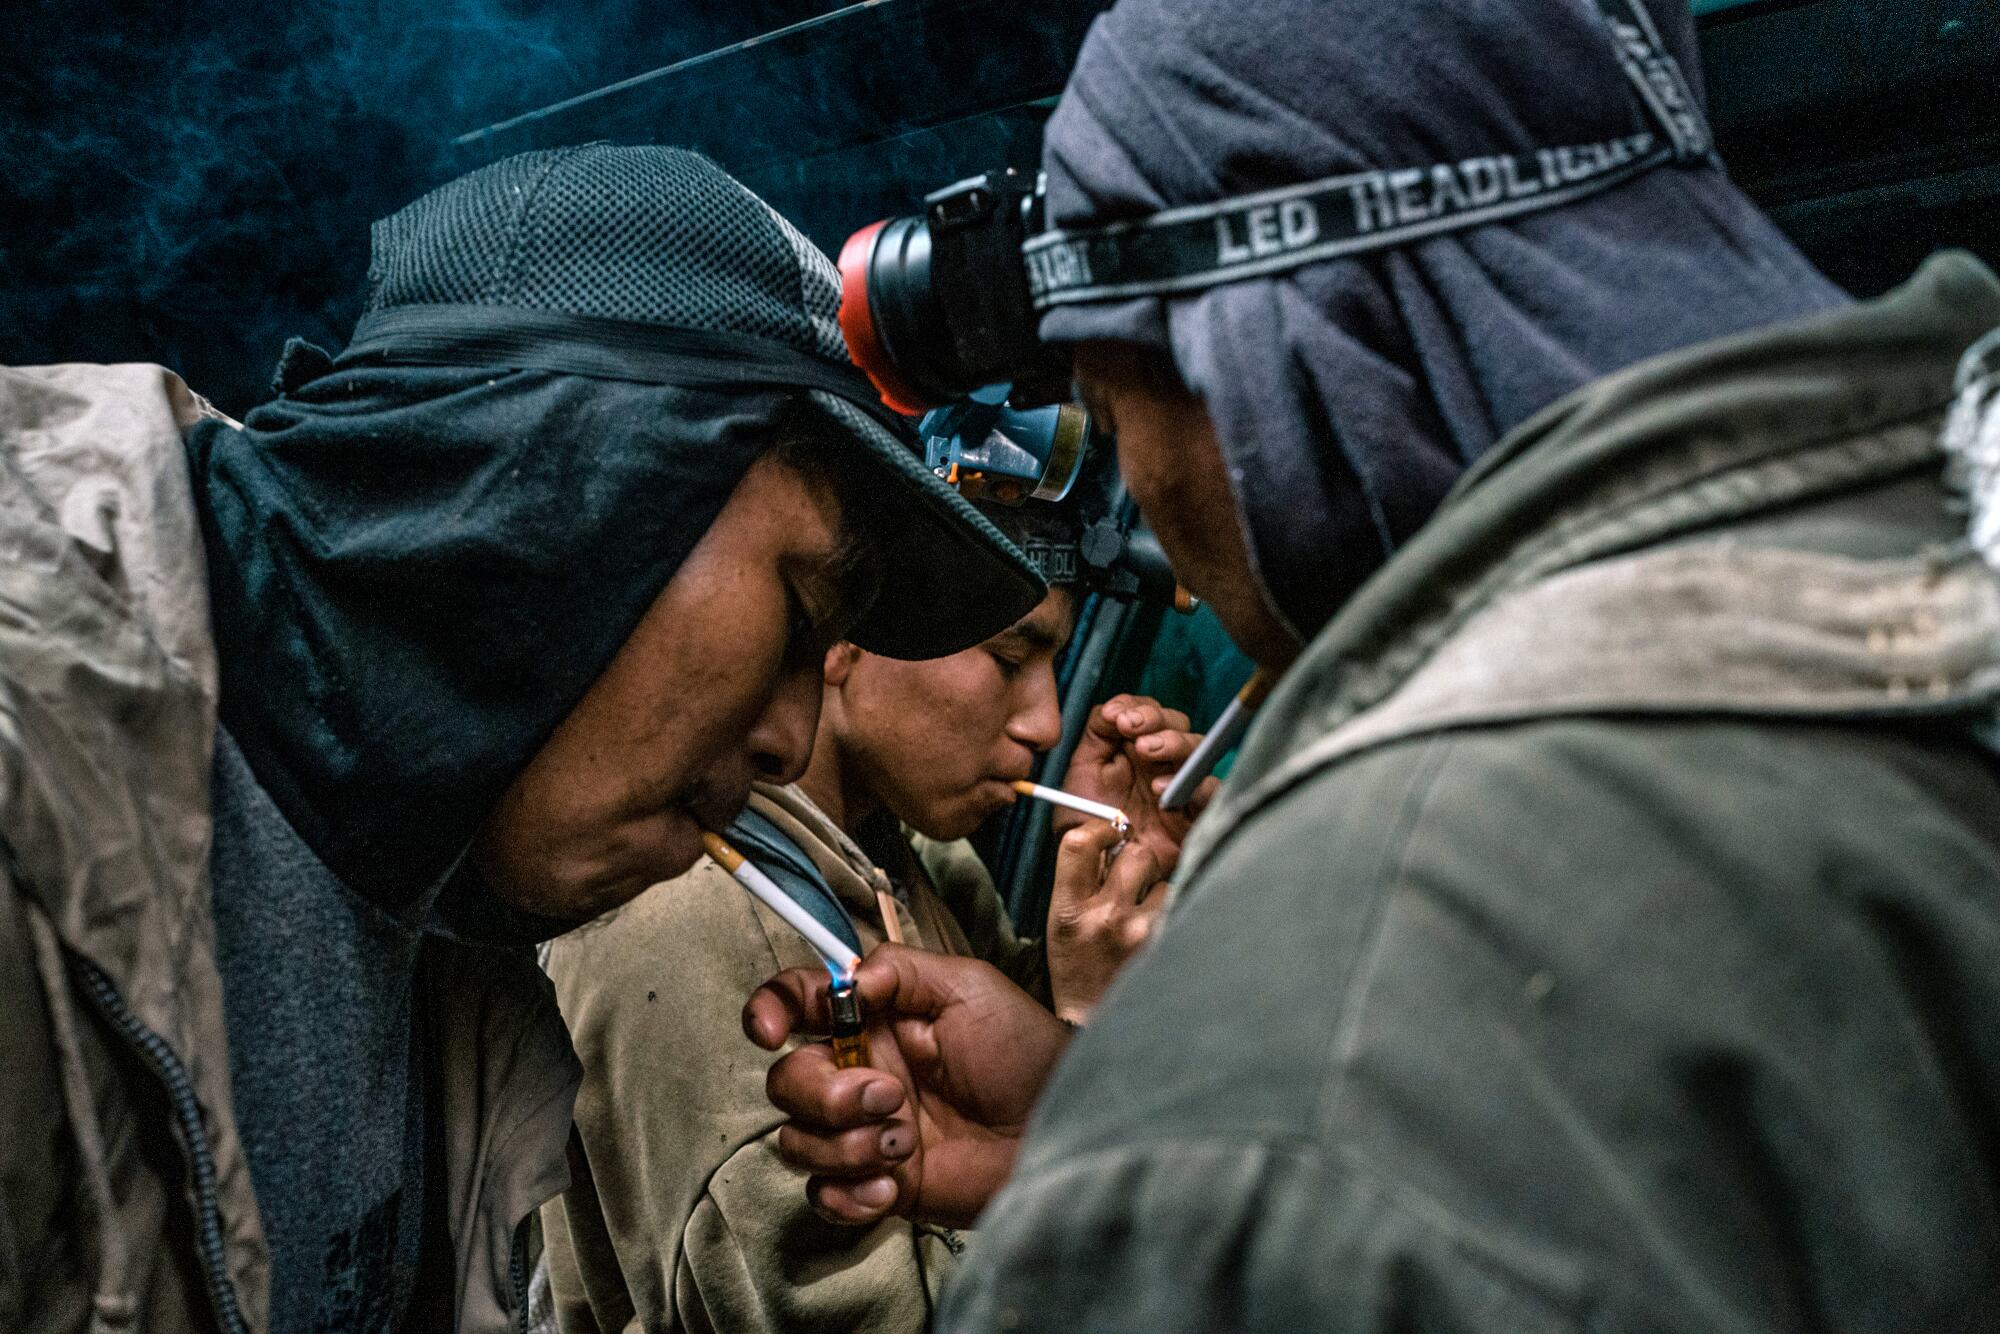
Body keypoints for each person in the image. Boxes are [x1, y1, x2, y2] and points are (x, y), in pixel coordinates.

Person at [745, 0, 2000, 1327]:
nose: (1163, 521)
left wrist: (1166, 1154)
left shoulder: (1330, 1029)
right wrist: (1085, 1111)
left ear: (1259, 365)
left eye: (1117, 407)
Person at [0, 144, 1043, 1334]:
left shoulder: (446, 911)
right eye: (801, 612)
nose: (789, 733)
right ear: (570, 475)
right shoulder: (25, 785)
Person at [539, 498, 1211, 1334]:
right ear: (852, 634)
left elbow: (992, 1087)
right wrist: (1088, 1037)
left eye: (1055, 664)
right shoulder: (703, 925)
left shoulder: (909, 860)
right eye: (1010, 656)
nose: (1045, 721)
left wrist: (1120, 898)